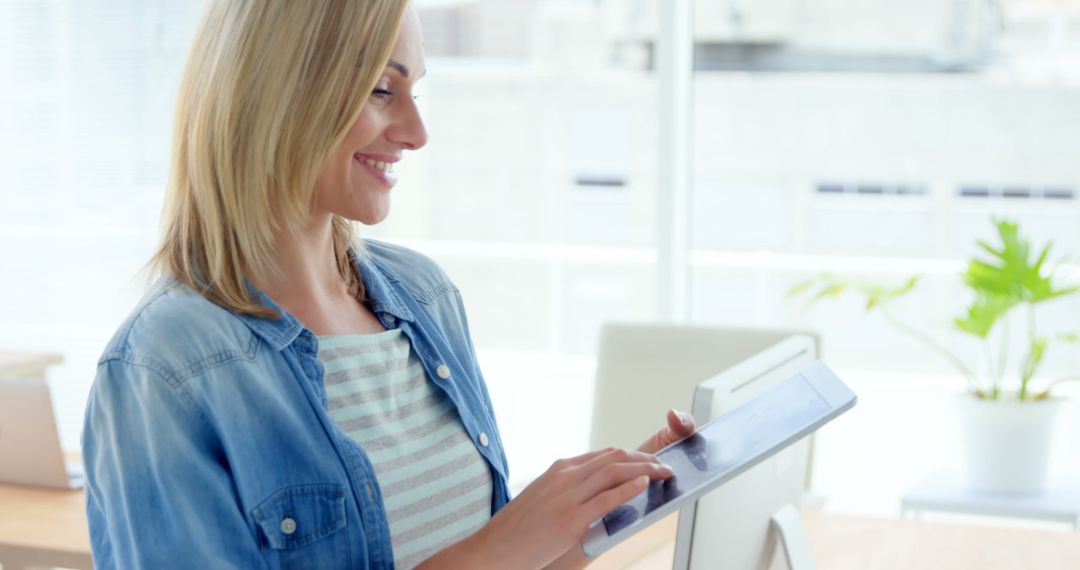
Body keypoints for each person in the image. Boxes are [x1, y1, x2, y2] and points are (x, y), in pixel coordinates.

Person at [81, 1, 696, 568]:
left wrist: (608, 503)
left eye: (416, 90)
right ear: (275, 92)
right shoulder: (164, 370)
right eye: (381, 90)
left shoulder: (423, 296)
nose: (415, 132)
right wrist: (500, 544)